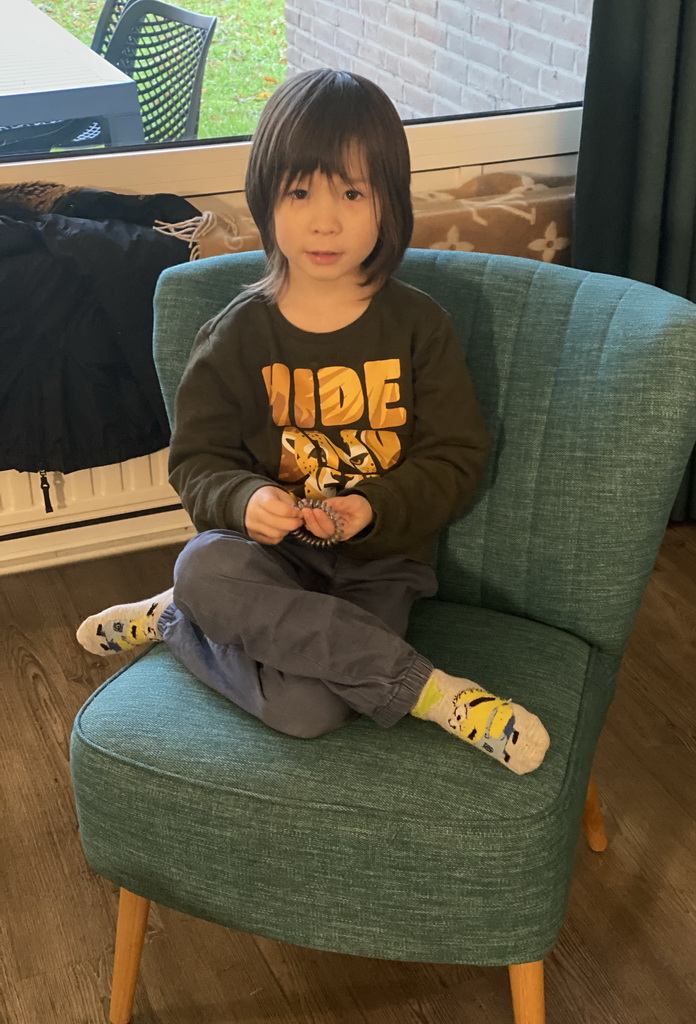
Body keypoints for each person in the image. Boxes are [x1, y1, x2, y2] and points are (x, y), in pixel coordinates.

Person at [76, 69, 550, 775]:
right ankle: (439, 696)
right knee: (203, 565)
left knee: (308, 710)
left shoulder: (421, 328)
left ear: (388, 205)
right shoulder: (235, 335)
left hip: (380, 565)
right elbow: (197, 462)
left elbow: (455, 457)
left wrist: (371, 508)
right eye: (300, 192)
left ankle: (179, 622)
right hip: (268, 559)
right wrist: (245, 498)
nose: (325, 220)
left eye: (352, 193)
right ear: (267, 199)